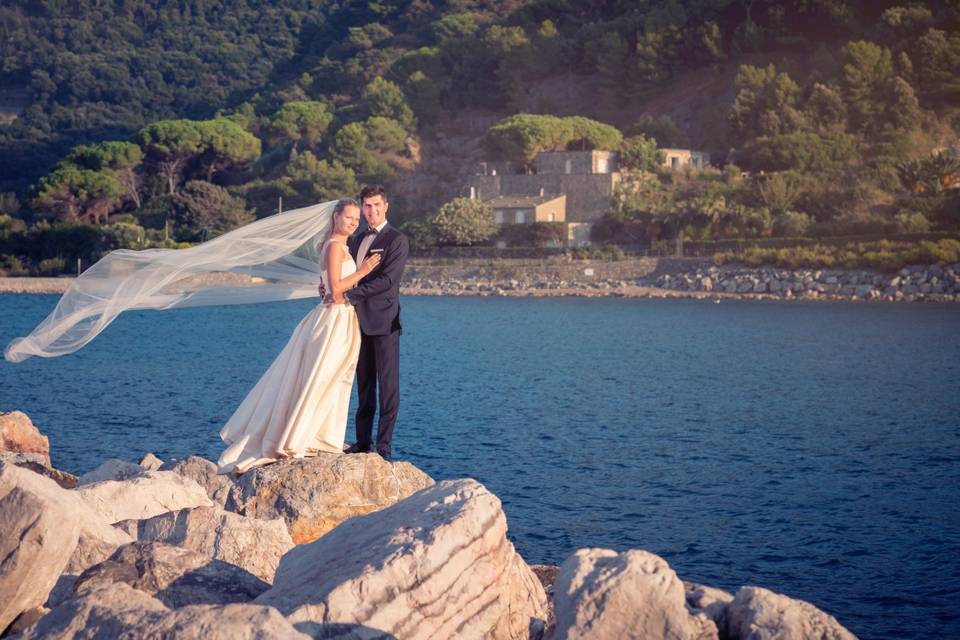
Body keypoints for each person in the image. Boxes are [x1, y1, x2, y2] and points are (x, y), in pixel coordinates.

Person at [217, 199, 381, 475]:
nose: (353, 222)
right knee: (319, 379)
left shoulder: (339, 246)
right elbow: (337, 290)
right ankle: (297, 438)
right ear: (335, 217)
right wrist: (363, 271)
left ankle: (318, 436)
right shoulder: (333, 246)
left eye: (356, 218)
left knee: (333, 380)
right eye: (348, 217)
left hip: (341, 319)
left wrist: (333, 284)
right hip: (333, 321)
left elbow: (329, 285)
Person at [328, 185, 409, 462]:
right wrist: (329, 287)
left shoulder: (397, 240)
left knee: (388, 389)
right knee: (364, 387)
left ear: (386, 206)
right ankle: (362, 443)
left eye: (376, 205)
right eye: (366, 206)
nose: (371, 211)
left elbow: (387, 282)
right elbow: (344, 274)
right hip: (355, 322)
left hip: (384, 323)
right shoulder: (356, 238)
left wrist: (348, 295)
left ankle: (384, 448)